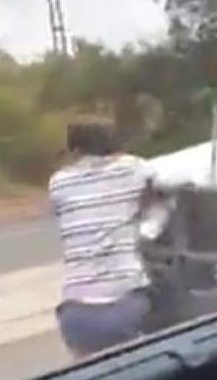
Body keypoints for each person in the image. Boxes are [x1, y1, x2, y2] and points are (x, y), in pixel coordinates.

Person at [49, 122, 156, 358]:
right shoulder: (132, 169)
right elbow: (161, 182)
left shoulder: (58, 182)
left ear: (74, 151)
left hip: (75, 313)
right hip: (125, 304)